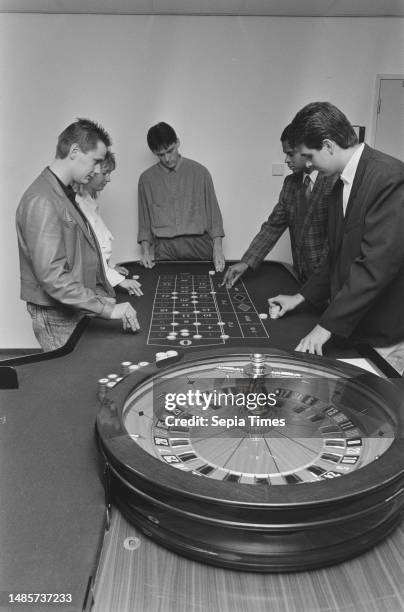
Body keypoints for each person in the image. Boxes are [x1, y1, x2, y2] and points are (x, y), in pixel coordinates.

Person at [269, 102, 404, 369]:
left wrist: (325, 326)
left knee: (376, 410)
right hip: (353, 328)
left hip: (383, 336)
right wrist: (300, 298)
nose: (308, 164)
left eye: (309, 155)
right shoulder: (339, 186)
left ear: (329, 146)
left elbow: (375, 267)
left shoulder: (389, 178)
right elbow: (335, 254)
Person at [16, 118, 139, 352]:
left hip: (73, 308)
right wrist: (107, 308)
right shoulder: (42, 199)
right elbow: (53, 277)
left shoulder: (64, 193)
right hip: (57, 315)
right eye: (95, 161)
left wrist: (102, 296)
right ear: (74, 151)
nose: (96, 171)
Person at [223, 124, 337, 289]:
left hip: (330, 281)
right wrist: (246, 262)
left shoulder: (334, 181)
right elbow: (273, 226)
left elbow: (335, 241)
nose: (286, 160)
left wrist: (320, 283)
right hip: (302, 278)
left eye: (290, 153)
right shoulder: (290, 183)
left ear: (307, 150)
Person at [137, 122, 225, 270]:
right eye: (161, 154)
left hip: (200, 246)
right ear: (154, 153)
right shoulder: (146, 180)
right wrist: (145, 252)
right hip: (165, 250)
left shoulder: (200, 173)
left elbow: (214, 218)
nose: (167, 158)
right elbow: (144, 223)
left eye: (170, 151)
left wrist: (218, 250)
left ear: (177, 142)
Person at [74, 150, 143, 297]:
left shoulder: (87, 199)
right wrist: (118, 281)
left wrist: (110, 267)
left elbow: (98, 247)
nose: (109, 178)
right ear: (91, 171)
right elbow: (87, 255)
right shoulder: (77, 204)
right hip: (89, 289)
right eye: (105, 173)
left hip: (100, 280)